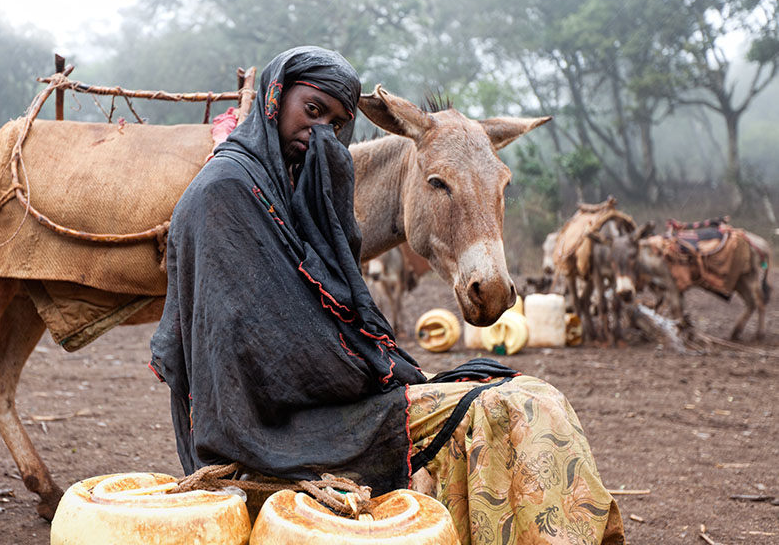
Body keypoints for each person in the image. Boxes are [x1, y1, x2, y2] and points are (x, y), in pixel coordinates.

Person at [149, 46, 623, 544]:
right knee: (519, 406)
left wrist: (385, 371)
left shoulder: (287, 189)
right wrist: (387, 375)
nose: (321, 135)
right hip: (279, 428)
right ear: (274, 99)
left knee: (527, 390)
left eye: (336, 125)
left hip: (322, 402)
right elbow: (265, 354)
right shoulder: (226, 192)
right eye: (313, 112)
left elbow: (318, 323)